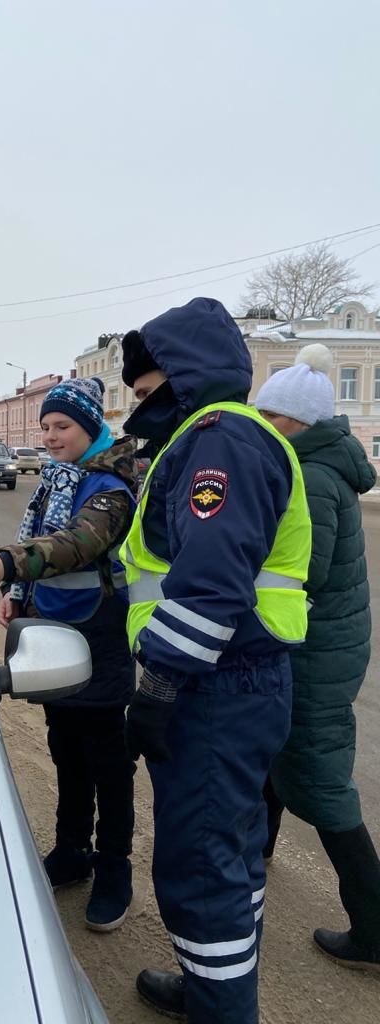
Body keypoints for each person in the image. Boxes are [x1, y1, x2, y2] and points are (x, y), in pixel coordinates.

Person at [119, 297, 312, 1024]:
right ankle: (214, 987)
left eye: (145, 393)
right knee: (228, 856)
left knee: (203, 869)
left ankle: (221, 1006)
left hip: (217, 683)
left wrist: (161, 681)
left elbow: (210, 581)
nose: (139, 407)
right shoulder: (221, 435)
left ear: (181, 377)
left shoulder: (218, 438)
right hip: (238, 679)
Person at [0, 377, 139, 932]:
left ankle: (114, 869)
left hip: (101, 640)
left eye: (61, 426)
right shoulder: (57, 480)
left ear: (90, 428)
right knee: (66, 750)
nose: (50, 436)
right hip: (54, 633)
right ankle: (70, 852)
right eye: (45, 426)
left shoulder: (111, 487)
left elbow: (75, 544)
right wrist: (19, 597)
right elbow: (37, 533)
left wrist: (11, 565)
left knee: (108, 762)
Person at [254, 343, 380, 971]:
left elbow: (309, 570)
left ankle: (374, 928)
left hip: (317, 651)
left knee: (323, 782)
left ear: (294, 421)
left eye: (269, 417)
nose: (262, 427)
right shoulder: (321, 461)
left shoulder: (311, 474)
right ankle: (261, 852)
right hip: (323, 643)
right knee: (279, 750)